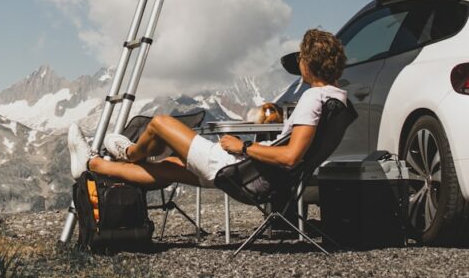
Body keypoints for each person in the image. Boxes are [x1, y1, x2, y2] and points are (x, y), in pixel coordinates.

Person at [67, 28, 347, 189]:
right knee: (168, 168)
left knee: (160, 123)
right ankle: (91, 164)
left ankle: (127, 152)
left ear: (308, 63)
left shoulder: (314, 97)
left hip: (237, 168)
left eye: (301, 57)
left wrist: (243, 147)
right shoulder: (338, 98)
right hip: (252, 175)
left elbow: (289, 157)